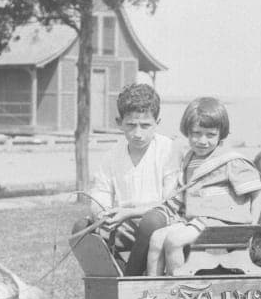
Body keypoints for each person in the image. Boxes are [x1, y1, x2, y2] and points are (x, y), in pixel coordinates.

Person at [145, 97, 261, 276]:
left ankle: (177, 287)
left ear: (221, 134)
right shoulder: (189, 159)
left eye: (210, 135)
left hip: (224, 223)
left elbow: (256, 195)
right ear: (187, 131)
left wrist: (251, 229)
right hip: (197, 221)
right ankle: (152, 286)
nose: (202, 140)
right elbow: (184, 193)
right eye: (196, 133)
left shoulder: (231, 160)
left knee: (174, 240)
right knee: (156, 238)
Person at [73, 83, 180, 275]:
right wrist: (102, 213)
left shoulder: (168, 150)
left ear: (157, 122)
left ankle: (130, 279)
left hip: (160, 224)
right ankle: (113, 277)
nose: (138, 134)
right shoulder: (112, 155)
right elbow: (100, 193)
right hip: (124, 225)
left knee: (151, 221)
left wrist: (129, 213)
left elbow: (169, 202)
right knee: (81, 229)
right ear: (119, 122)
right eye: (131, 125)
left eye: (145, 126)